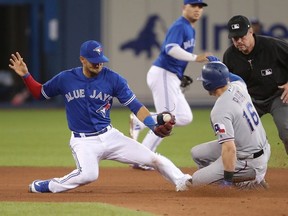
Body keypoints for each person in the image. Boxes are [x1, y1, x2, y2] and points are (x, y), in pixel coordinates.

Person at [8, 40, 193, 193]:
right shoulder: (66, 79)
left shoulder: (114, 79)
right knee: (89, 175)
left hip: (110, 136)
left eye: (101, 60)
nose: (98, 63)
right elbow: (40, 93)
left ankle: (182, 181)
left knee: (154, 159)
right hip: (83, 141)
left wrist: (153, 124)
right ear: (82, 59)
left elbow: (136, 106)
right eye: (93, 60)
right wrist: (26, 75)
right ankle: (48, 185)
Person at [129, 0, 212, 170]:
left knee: (184, 116)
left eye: (200, 7)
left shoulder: (190, 28)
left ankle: (142, 120)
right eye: (193, 6)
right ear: (184, 7)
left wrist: (179, 73)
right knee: (166, 119)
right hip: (163, 73)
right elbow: (170, 49)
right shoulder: (180, 25)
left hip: (170, 75)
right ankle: (143, 159)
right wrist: (195, 58)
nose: (197, 9)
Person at [190, 61, 271, 189]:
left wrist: (227, 179)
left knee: (196, 181)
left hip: (248, 161)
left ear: (208, 84)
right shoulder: (238, 86)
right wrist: (220, 67)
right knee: (197, 153)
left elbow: (229, 148)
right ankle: (218, 175)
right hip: (262, 148)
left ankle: (248, 183)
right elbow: (238, 78)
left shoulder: (220, 110)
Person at [223, 15, 288, 155]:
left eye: (242, 36)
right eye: (235, 38)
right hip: (249, 101)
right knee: (236, 136)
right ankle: (246, 170)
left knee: (286, 130)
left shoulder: (271, 46)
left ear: (251, 32)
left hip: (278, 96)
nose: (239, 41)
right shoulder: (230, 56)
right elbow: (227, 85)